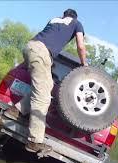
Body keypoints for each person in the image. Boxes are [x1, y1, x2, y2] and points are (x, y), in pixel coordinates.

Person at [22, 9, 88, 152]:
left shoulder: (54, 20)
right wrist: (84, 64)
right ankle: (34, 141)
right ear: (74, 17)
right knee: (44, 97)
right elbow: (81, 46)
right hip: (41, 52)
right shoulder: (77, 23)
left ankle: (15, 110)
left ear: (64, 15)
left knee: (47, 86)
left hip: (30, 47)